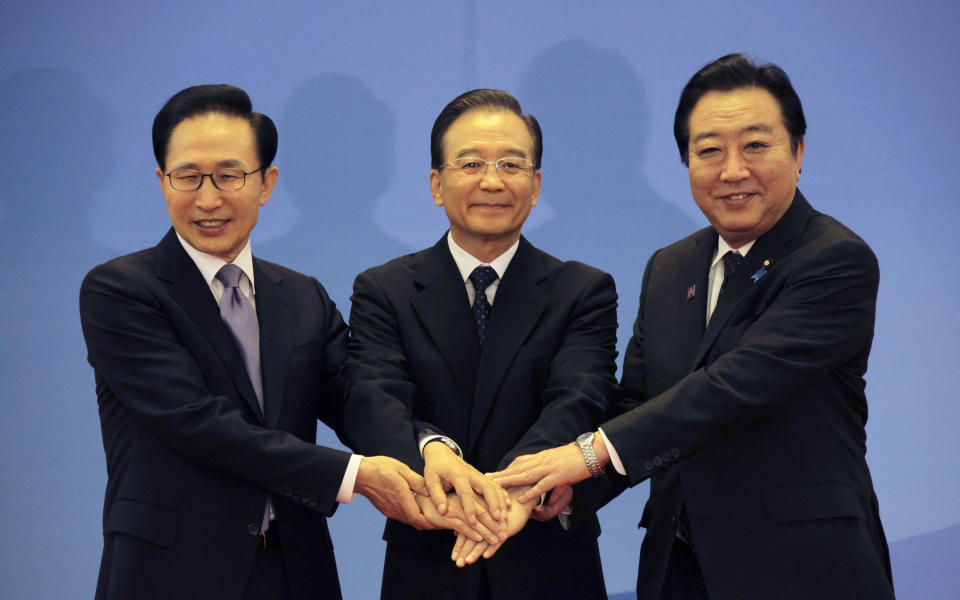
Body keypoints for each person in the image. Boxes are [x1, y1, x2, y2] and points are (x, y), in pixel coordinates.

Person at [492, 54, 895, 599]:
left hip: (803, 568)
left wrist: (586, 454)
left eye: (755, 145)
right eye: (709, 150)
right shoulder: (671, 266)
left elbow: (731, 387)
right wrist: (563, 487)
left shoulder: (835, 259)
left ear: (798, 152)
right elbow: (637, 401)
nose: (732, 170)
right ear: (686, 161)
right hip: (679, 566)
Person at [79, 84, 434, 600]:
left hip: (295, 570)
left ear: (266, 183)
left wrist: (429, 449)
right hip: (170, 573)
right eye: (187, 176)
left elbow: (359, 400)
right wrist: (355, 474)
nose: (208, 198)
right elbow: (197, 422)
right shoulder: (120, 290)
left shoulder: (302, 295)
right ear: (162, 181)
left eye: (229, 175)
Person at [344, 89, 618, 599]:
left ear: (535, 186)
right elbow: (373, 397)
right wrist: (432, 449)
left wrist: (513, 485)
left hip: (550, 558)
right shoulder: (384, 289)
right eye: (471, 163)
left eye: (511, 164)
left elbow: (580, 397)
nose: (492, 180)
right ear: (436, 184)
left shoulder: (582, 289)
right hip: (429, 554)